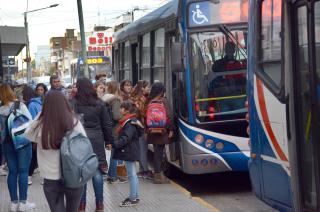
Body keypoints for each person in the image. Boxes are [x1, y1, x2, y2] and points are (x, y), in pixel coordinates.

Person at [24, 91, 86, 212]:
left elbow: (27, 134)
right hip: (73, 176)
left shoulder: (42, 125)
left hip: (50, 178)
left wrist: (40, 115)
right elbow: (85, 145)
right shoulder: (73, 122)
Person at [71, 78, 114, 212]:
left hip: (79, 139)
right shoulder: (99, 103)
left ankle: (81, 206)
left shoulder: (73, 103)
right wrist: (108, 141)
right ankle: (99, 205)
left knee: (81, 174)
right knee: (97, 172)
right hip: (96, 139)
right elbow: (107, 124)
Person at [0, 84, 35, 211]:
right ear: (11, 92)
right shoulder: (20, 105)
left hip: (7, 144)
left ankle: (13, 203)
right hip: (22, 143)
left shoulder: (0, 108)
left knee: (12, 172)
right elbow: (30, 123)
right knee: (24, 172)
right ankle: (23, 203)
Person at [113, 100, 143, 207]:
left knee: (131, 175)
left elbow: (126, 138)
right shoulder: (131, 120)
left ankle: (133, 198)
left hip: (129, 150)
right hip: (131, 150)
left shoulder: (129, 122)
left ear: (126, 110)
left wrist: (114, 144)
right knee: (133, 174)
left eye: (121, 108)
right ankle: (135, 196)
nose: (119, 109)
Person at [146, 82, 174, 184]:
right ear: (162, 91)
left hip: (152, 131)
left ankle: (158, 175)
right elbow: (169, 116)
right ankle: (159, 177)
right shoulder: (164, 101)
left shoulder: (149, 101)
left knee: (157, 153)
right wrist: (171, 129)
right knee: (159, 153)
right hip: (162, 131)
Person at [101, 81, 127, 183]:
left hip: (109, 129)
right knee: (118, 153)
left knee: (115, 152)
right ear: (117, 88)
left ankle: (113, 175)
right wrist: (125, 115)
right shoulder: (115, 100)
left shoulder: (104, 98)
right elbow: (117, 116)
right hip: (116, 129)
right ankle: (117, 176)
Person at [131, 80, 153, 179]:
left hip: (139, 127)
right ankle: (145, 171)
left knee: (142, 149)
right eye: (147, 87)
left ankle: (141, 170)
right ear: (142, 88)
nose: (149, 88)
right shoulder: (140, 100)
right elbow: (142, 114)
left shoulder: (137, 98)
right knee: (143, 149)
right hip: (140, 128)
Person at [26, 83, 47, 185]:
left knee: (45, 156)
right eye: (38, 89)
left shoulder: (47, 102)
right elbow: (32, 121)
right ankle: (29, 176)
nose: (40, 91)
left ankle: (45, 177)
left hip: (47, 133)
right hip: (37, 134)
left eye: (42, 89)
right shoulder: (32, 104)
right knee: (34, 156)